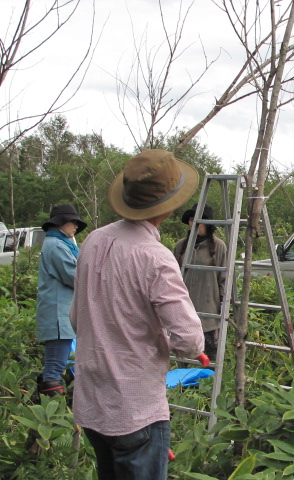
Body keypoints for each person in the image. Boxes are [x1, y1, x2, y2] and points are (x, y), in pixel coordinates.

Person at [70, 149, 205, 480]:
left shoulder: (93, 241)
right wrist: (162, 342)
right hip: (136, 409)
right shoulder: (154, 257)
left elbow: (77, 319)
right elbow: (189, 340)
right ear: (171, 205)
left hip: (91, 402)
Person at [36, 204, 87, 397]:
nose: (75, 226)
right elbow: (73, 276)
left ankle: (48, 402)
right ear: (60, 223)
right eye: (72, 222)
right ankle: (53, 409)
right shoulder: (56, 245)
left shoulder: (61, 244)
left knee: (58, 363)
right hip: (58, 314)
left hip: (61, 313)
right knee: (55, 366)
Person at [174, 203, 227, 360]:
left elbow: (224, 278)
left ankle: (207, 384)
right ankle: (184, 385)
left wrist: (224, 305)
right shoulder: (180, 246)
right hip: (184, 309)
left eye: (200, 220)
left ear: (208, 224)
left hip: (208, 312)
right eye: (191, 219)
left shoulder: (219, 247)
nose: (195, 223)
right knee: (184, 354)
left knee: (209, 355)